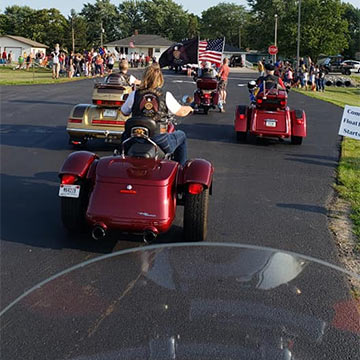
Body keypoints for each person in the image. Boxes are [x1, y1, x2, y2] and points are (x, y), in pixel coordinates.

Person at [120, 64, 193, 166]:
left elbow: (124, 111)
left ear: (145, 77)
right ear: (159, 79)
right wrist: (189, 108)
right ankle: (181, 169)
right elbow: (180, 112)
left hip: (134, 138)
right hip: (159, 139)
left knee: (123, 138)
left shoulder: (134, 94)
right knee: (182, 135)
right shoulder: (165, 95)